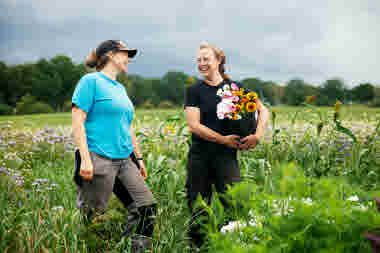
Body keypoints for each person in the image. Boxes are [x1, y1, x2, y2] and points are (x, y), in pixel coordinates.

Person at [71, 40, 156, 251]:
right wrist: (85, 159)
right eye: (126, 54)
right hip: (98, 157)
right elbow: (77, 120)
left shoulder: (120, 89)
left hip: (125, 159)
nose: (128, 59)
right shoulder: (90, 82)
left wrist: (139, 158)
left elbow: (127, 126)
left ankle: (132, 249)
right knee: (94, 219)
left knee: (146, 208)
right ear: (110, 55)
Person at [184, 42, 270, 248]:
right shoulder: (194, 91)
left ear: (218, 60)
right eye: (199, 60)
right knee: (199, 209)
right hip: (199, 158)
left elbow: (263, 111)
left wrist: (257, 135)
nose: (202, 64)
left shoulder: (235, 88)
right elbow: (194, 125)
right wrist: (224, 139)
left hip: (226, 158)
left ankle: (235, 246)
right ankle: (198, 249)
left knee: (236, 205)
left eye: (206, 59)